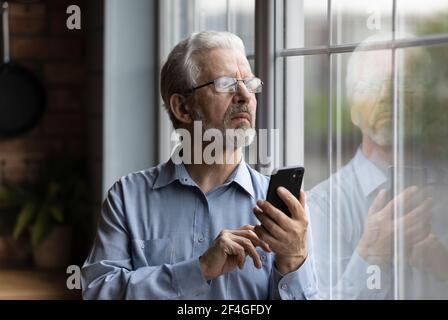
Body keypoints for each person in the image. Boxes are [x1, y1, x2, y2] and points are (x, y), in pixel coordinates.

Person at [81, 31, 317, 300]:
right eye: (226, 84)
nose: (244, 95)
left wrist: (294, 258)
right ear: (182, 108)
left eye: (250, 83)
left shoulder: (282, 211)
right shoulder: (127, 198)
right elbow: (99, 293)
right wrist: (199, 270)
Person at [307, 32, 448, 299]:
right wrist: (371, 255)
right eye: (372, 85)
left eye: (403, 85)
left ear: (424, 101)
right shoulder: (322, 207)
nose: (387, 96)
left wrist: (443, 267)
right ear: (352, 108)